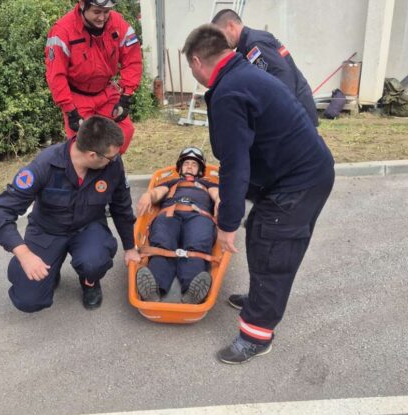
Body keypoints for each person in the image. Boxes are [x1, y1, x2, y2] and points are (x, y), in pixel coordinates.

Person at [182, 25, 334, 364]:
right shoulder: (243, 73)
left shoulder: (229, 92)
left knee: (272, 249)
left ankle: (255, 336)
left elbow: (234, 164)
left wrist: (226, 224)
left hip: (299, 181)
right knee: (262, 236)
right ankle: (259, 299)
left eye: (190, 67)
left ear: (197, 61)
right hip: (295, 172)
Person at [0, 116, 140, 312]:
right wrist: (24, 254)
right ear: (92, 155)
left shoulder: (113, 164)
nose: (115, 159)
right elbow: (0, 212)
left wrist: (130, 247)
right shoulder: (45, 165)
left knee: (94, 261)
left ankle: (89, 281)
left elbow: (121, 206)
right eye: (111, 157)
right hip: (47, 231)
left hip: (88, 227)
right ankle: (51, 269)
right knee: (28, 300)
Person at [45, 0, 143, 154]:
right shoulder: (62, 30)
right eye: (97, 12)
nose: (102, 17)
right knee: (83, 149)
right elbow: (56, 75)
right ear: (82, 5)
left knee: (124, 131)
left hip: (106, 91)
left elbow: (132, 59)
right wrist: (70, 110)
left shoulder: (117, 23)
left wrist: (126, 95)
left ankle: (109, 165)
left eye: (106, 12)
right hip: (77, 97)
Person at [135, 147, 220, 304]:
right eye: (186, 163)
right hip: (169, 214)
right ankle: (153, 289)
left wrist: (220, 201)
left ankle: (192, 291)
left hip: (199, 216)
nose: (189, 167)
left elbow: (217, 195)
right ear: (180, 168)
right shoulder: (172, 182)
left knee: (197, 246)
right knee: (162, 243)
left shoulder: (207, 184)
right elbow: (157, 193)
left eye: (194, 164)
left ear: (200, 170)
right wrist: (148, 195)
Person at [212, 9, 319, 127]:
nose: (220, 41)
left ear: (231, 26)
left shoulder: (254, 44)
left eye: (220, 36)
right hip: (292, 110)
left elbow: (282, 75)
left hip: (295, 113)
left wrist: (282, 114)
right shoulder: (247, 45)